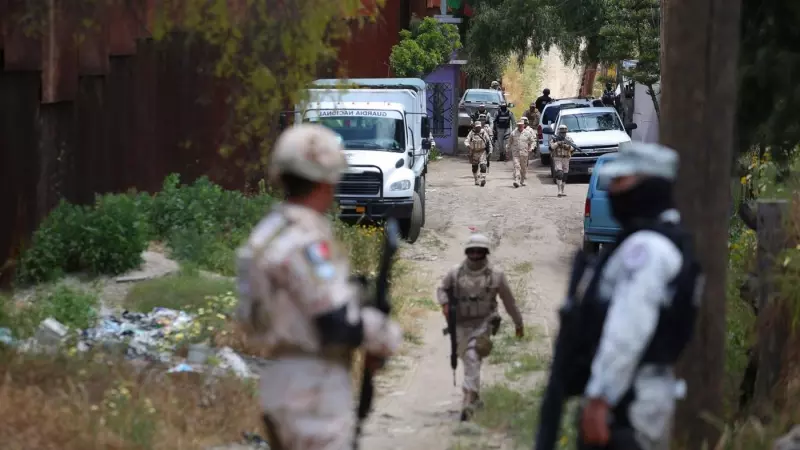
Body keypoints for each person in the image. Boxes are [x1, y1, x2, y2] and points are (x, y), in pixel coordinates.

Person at [235, 124, 403, 450]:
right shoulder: (304, 240)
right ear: (328, 180)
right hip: (313, 390)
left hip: (280, 379)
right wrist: (383, 334)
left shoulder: (267, 233)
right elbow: (337, 323)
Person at [569, 142, 702, 450]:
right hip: (635, 394)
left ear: (651, 184)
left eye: (621, 181)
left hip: (630, 399)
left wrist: (602, 397)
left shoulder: (647, 249)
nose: (613, 190)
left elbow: (628, 329)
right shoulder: (655, 240)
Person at [437, 233, 525, 421]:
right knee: (468, 359)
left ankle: (468, 399)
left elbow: (509, 302)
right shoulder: (455, 273)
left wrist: (518, 323)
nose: (476, 255)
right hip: (460, 324)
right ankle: (474, 396)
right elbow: (442, 289)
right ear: (467, 251)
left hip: (483, 323)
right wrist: (445, 305)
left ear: (486, 252)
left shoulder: (496, 276)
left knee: (472, 356)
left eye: (480, 251)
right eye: (472, 251)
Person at [549, 124, 578, 197]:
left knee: (565, 175)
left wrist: (566, 146)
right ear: (559, 132)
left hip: (566, 158)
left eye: (564, 132)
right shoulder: (554, 138)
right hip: (557, 157)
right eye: (562, 132)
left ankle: (562, 190)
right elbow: (551, 147)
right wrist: (558, 143)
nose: (563, 134)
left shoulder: (568, 138)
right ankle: (559, 191)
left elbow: (573, 148)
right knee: (559, 173)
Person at [464, 121, 491, 186]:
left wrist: (490, 151)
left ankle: (483, 179)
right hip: (474, 152)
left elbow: (488, 141)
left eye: (479, 127)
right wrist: (468, 146)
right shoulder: (471, 133)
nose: (478, 128)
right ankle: (476, 179)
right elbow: (466, 140)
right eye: (477, 127)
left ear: (481, 126)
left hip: (482, 152)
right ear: (474, 127)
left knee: (483, 165)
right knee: (474, 167)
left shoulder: (483, 132)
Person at [509, 119, 535, 187]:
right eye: (518, 125)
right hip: (516, 153)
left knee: (523, 168)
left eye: (521, 125)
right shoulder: (513, 133)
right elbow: (509, 142)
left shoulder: (527, 133)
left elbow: (533, 141)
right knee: (517, 166)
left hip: (524, 153)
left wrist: (532, 148)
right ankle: (516, 180)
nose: (520, 126)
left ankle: (522, 180)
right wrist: (507, 149)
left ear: (523, 125)